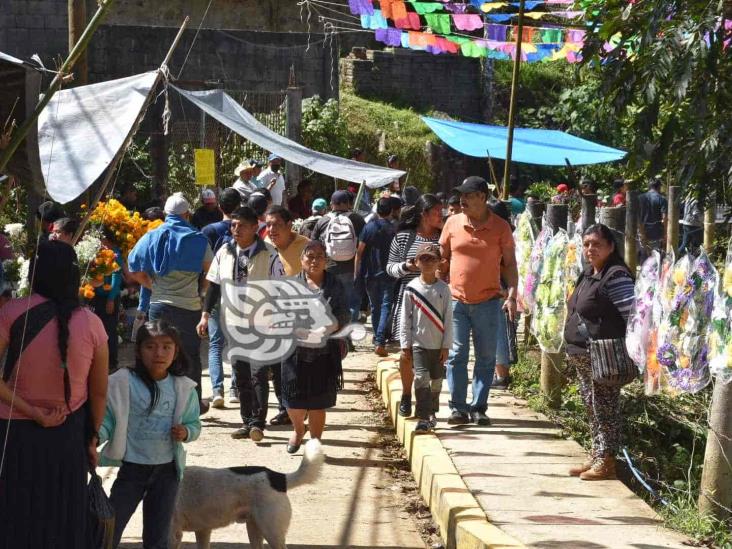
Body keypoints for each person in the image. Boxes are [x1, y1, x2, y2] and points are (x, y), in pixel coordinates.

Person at [0, 240, 108, 548]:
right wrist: (92, 437)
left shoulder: (12, 312)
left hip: (13, 432)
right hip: (69, 433)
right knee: (61, 517)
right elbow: (99, 392)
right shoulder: (92, 323)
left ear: (33, 273)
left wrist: (31, 411)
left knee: (15, 514)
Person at [99, 320, 201, 548]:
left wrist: (186, 432)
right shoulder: (123, 383)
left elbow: (194, 424)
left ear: (176, 352)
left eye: (166, 346)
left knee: (158, 536)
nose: (159, 353)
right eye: (150, 346)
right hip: (132, 470)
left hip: (167, 473)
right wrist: (95, 439)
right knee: (109, 529)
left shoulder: (183, 388)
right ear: (138, 350)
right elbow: (106, 420)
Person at [198, 206, 284, 442]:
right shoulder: (224, 252)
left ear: (255, 227)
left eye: (241, 225)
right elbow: (214, 286)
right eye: (233, 225)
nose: (236, 229)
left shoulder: (270, 253)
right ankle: (247, 421)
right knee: (240, 373)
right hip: (233, 322)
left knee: (258, 372)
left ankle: (258, 422)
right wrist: (205, 314)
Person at [440, 176, 518, 426]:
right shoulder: (452, 223)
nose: (462, 200)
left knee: (486, 356)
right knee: (457, 354)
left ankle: (479, 407)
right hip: (456, 301)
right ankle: (458, 408)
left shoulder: (501, 227)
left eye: (468, 195)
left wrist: (513, 294)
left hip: (488, 301)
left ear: (483, 197)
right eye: (461, 195)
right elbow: (442, 257)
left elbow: (509, 264)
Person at [128, 192, 213, 414]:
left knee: (158, 352)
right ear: (186, 214)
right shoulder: (198, 239)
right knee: (190, 354)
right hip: (190, 306)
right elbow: (210, 271)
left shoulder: (152, 237)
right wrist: (201, 290)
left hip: (159, 305)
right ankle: (193, 405)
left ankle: (156, 399)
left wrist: (152, 286)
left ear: (166, 214)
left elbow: (133, 267)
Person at [564, 224, 635, 481]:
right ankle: (596, 453)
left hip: (604, 356)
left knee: (605, 406)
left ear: (611, 246)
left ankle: (607, 461)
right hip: (583, 355)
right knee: (592, 404)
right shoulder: (588, 273)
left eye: (596, 244)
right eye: (586, 244)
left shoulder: (615, 276)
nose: (590, 249)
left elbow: (633, 314)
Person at [281, 240, 349, 454]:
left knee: (318, 402)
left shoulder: (335, 285)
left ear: (326, 261)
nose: (314, 260)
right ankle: (299, 429)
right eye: (310, 256)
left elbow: (344, 314)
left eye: (320, 256)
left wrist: (326, 330)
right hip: (295, 351)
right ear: (301, 260)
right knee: (294, 402)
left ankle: (314, 443)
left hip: (325, 351)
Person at [386, 194, 444, 417]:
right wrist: (407, 267)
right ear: (424, 214)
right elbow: (390, 267)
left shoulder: (443, 238)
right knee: (406, 351)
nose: (442, 215)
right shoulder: (403, 238)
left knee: (432, 354)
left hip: (436, 304)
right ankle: (406, 394)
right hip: (408, 301)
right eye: (437, 211)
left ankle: (426, 399)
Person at [400, 243, 453, 434]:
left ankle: (432, 412)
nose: (428, 262)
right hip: (418, 344)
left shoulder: (444, 289)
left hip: (438, 345)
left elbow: (448, 319)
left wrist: (446, 346)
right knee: (421, 377)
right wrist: (405, 344)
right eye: (423, 258)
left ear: (440, 262)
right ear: (416, 262)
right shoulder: (411, 288)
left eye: (432, 259)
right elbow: (405, 319)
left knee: (436, 380)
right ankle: (423, 416)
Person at [312, 190, 366, 323]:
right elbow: (365, 242)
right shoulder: (357, 219)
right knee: (352, 303)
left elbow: (312, 243)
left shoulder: (323, 220)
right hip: (351, 267)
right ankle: (348, 336)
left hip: (329, 267)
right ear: (348, 203)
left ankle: (333, 336)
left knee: (329, 302)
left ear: (331, 204)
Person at [355, 197, 396, 357]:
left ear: (377, 210)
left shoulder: (368, 228)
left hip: (369, 274)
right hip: (388, 274)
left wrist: (356, 272)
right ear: (391, 211)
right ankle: (379, 340)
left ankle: (377, 339)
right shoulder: (393, 229)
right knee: (386, 306)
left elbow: (359, 252)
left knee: (375, 307)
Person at [91, 227, 123, 372]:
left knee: (110, 330)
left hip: (109, 298)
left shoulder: (115, 254)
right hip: (96, 297)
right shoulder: (98, 254)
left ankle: (111, 362)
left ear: (107, 239)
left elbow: (116, 280)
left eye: (101, 239)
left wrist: (111, 299)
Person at [265, 205, 310, 277]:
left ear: (289, 225)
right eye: (268, 225)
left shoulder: (306, 246)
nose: (271, 229)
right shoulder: (264, 246)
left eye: (276, 224)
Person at [637, 176, 668, 259]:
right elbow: (664, 218)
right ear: (659, 187)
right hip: (656, 232)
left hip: (641, 230)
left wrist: (641, 233)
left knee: (644, 255)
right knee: (655, 257)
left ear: (649, 186)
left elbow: (637, 217)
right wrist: (665, 233)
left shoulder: (640, 198)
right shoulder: (662, 199)